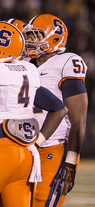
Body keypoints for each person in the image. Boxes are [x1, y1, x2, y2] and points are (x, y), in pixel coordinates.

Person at [0, 21, 68, 207]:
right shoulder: (27, 70)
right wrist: (38, 141)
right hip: (27, 154)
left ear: (1, 48)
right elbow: (58, 108)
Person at [22, 14, 88, 207]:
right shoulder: (23, 64)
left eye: (36, 35)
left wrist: (70, 161)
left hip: (54, 147)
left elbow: (79, 118)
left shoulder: (67, 62)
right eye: (29, 36)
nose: (30, 40)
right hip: (25, 147)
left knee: (43, 201)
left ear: (54, 38)